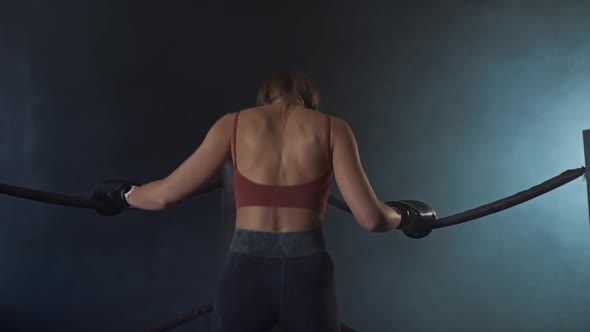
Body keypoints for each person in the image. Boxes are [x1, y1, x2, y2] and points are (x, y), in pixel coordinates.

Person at [92, 71, 435, 332]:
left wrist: (123, 195)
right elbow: (372, 219)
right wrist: (404, 216)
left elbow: (165, 195)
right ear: (309, 100)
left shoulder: (234, 124)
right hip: (308, 272)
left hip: (245, 271)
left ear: (265, 98)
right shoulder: (333, 128)